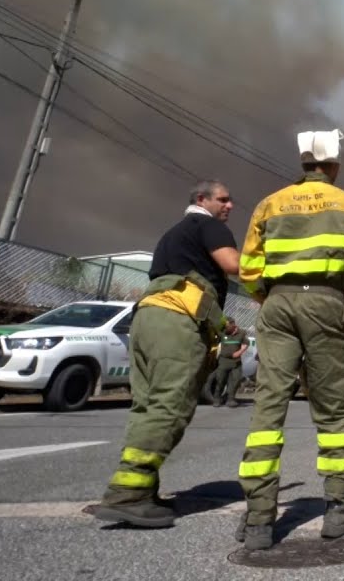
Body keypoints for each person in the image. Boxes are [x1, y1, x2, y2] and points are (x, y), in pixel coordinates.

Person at [234, 129, 344, 551]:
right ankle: (339, 510)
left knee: (268, 406)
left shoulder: (270, 203)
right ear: (333, 165)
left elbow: (248, 269)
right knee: (334, 410)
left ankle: (259, 520)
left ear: (303, 163)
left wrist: (272, 298)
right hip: (325, 303)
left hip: (277, 304)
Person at [92, 180, 239, 528]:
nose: (229, 205)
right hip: (176, 324)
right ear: (202, 200)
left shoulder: (173, 235)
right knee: (170, 405)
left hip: (147, 320)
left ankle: (143, 489)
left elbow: (185, 285)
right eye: (223, 199)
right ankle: (127, 494)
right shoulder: (209, 225)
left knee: (147, 405)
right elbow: (233, 265)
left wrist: (222, 323)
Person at [208, 317, 249, 407]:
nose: (226, 328)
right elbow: (214, 329)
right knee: (220, 380)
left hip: (236, 362)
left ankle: (231, 399)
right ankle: (217, 399)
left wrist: (239, 352)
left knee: (235, 380)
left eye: (227, 326)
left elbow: (246, 343)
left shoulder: (241, 333)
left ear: (233, 324)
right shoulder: (222, 332)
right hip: (224, 361)